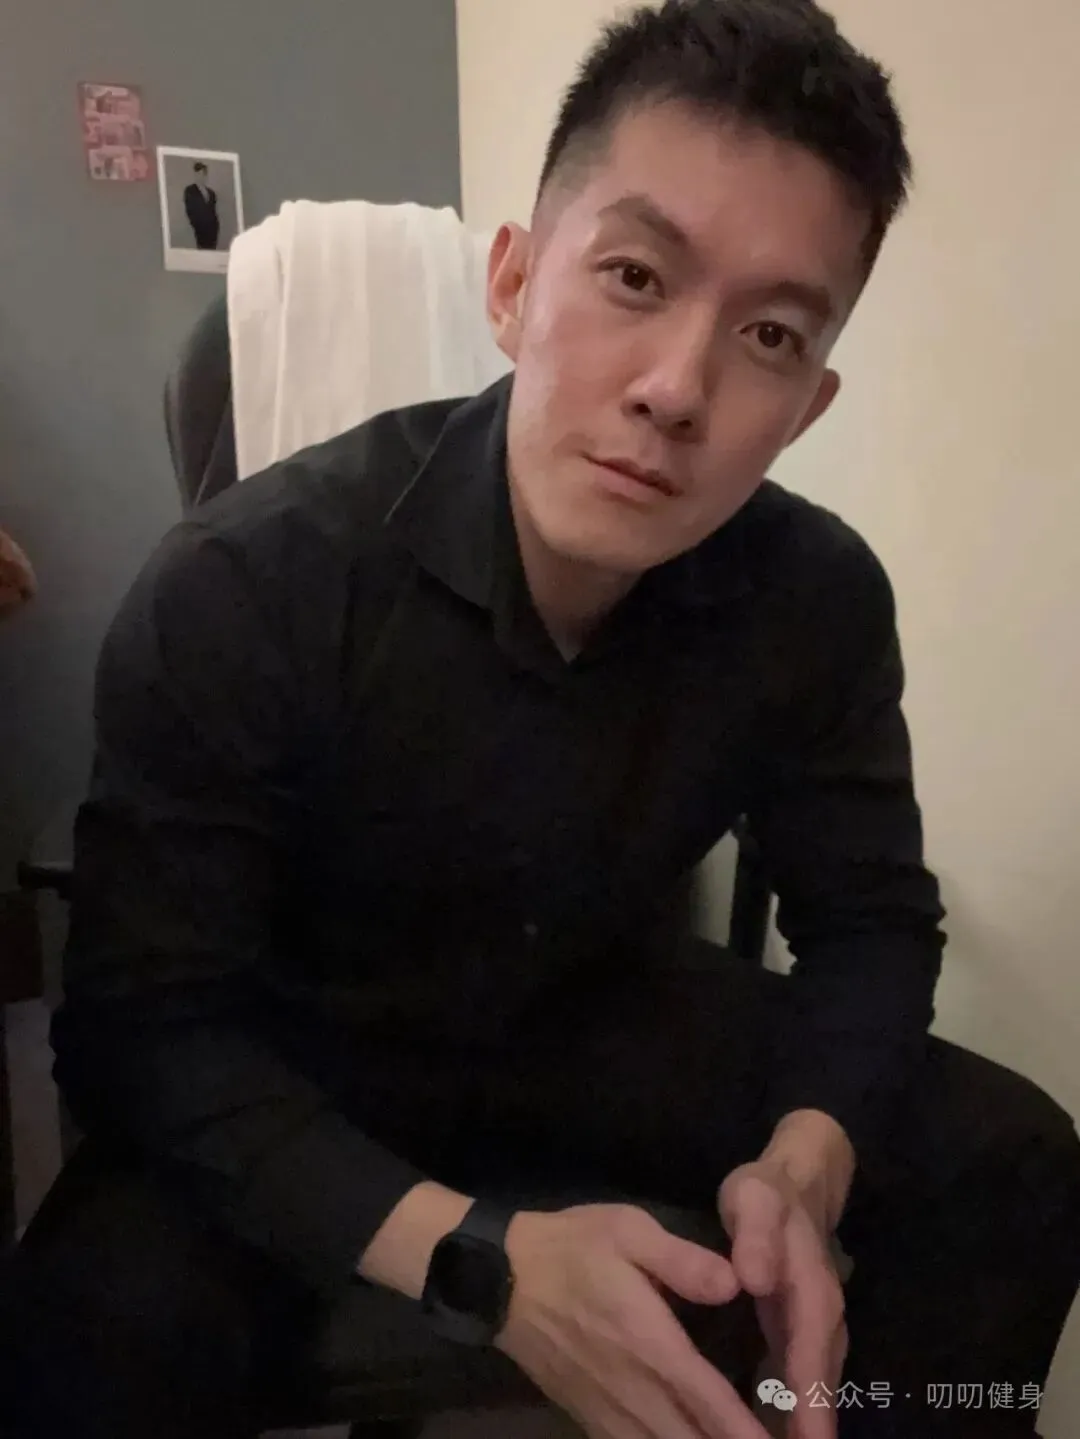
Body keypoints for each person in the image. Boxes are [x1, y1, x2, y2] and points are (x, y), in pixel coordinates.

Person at [2, 2, 1078, 1437]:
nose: (677, 389)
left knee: (1014, 1158)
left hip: (586, 1011)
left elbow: (872, 921)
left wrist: (807, 1161)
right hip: (296, 1043)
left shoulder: (814, 596)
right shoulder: (247, 581)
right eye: (635, 275)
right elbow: (142, 1026)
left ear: (808, 406)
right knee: (93, 1333)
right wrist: (478, 1259)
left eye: (767, 333)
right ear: (512, 283)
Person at [183, 161, 220, 250]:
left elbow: (213, 211)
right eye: (198, 174)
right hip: (199, 230)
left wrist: (216, 226)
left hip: (212, 231)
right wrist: (197, 226)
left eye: (202, 174)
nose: (200, 177)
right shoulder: (190, 191)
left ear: (205, 175)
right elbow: (190, 210)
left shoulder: (211, 193)